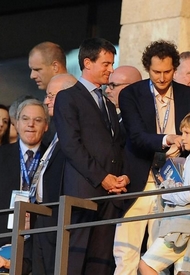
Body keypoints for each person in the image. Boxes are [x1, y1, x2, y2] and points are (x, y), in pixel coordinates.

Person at [114, 40, 190, 275]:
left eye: (167, 72)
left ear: (175, 68)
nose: (162, 78)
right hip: (139, 179)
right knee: (126, 250)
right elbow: (136, 137)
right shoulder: (131, 94)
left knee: (161, 252)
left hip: (174, 182)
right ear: (147, 68)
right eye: (156, 72)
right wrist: (168, 139)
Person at [53, 37, 129, 275]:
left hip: (110, 196)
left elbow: (116, 146)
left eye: (112, 63)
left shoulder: (107, 103)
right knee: (75, 262)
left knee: (101, 263)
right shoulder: (68, 97)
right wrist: (101, 177)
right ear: (88, 62)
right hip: (83, 193)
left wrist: (120, 177)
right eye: (106, 64)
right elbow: (71, 145)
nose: (111, 69)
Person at [139, 109, 190, 275]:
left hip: (181, 227)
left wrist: (167, 188)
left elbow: (187, 195)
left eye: (187, 133)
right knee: (184, 272)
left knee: (146, 266)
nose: (183, 137)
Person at [0, 99, 49, 260]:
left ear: (46, 126)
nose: (30, 124)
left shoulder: (54, 157)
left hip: (38, 240)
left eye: (37, 120)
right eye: (25, 119)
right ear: (16, 124)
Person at [31, 73, 76, 275]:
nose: (45, 100)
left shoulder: (75, 131)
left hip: (59, 215)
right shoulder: (56, 132)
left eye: (51, 95)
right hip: (42, 215)